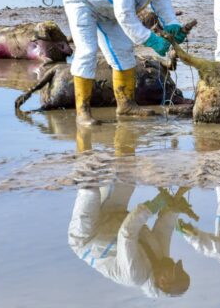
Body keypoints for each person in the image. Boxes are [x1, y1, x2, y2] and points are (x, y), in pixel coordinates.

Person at [63, 0, 188, 126]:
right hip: (83, 1)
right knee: (87, 51)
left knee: (124, 52)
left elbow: (162, 4)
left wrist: (172, 24)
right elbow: (124, 12)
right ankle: (82, 113)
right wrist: (150, 39)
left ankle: (126, 106)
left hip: (108, 10)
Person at [68, 125, 197, 297]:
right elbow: (164, 229)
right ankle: (120, 126)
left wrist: (153, 205)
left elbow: (127, 234)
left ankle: (83, 129)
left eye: (173, 270)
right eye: (176, 266)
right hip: (115, 216)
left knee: (89, 188)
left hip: (87, 236)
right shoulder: (162, 260)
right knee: (128, 174)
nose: (173, 262)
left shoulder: (135, 275)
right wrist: (174, 209)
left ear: (163, 281)